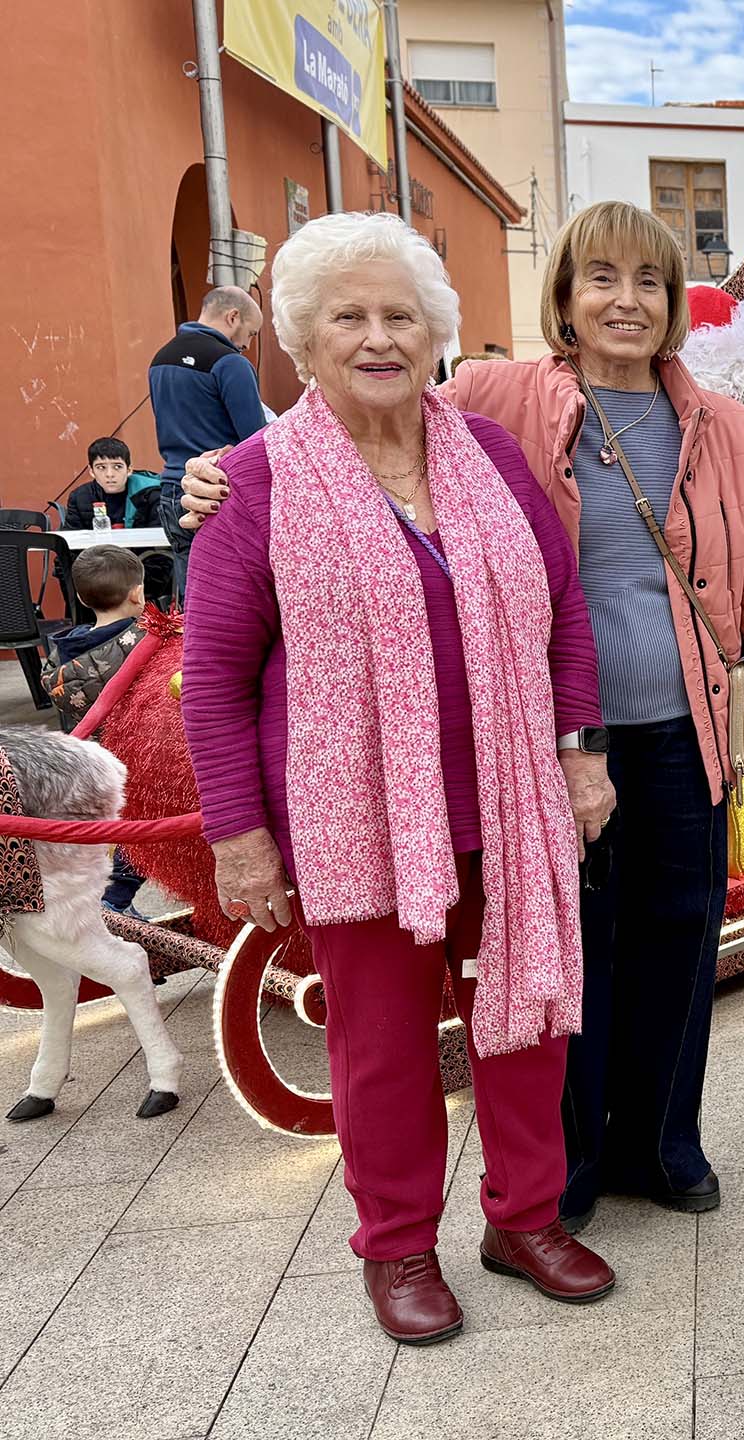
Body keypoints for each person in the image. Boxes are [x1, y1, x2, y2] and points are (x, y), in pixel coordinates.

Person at [179, 204, 744, 1230]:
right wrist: (212, 476)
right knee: (569, 957)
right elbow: (354, 434)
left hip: (670, 727)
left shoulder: (715, 424)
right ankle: (560, 1175)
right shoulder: (496, 396)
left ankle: (658, 1145)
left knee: (672, 942)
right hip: (527, 752)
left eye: (649, 282)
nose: (626, 301)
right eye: (601, 278)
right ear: (563, 296)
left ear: (674, 304)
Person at [181, 212, 618, 1346]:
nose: (379, 337)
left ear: (435, 334)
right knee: (379, 1046)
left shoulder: (493, 458)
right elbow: (213, 680)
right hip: (354, 815)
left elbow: (563, 612)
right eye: (350, 317)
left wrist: (581, 754)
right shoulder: (251, 485)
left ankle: (525, 1220)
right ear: (301, 339)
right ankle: (398, 1246)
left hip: (509, 800)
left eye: (401, 316)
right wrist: (240, 837)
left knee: (527, 1020)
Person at [43, 545, 151, 915]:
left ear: (79, 597)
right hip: (144, 752)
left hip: (101, 752)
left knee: (120, 828)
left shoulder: (65, 653)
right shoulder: (145, 641)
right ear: (137, 594)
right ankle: (115, 901)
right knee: (147, 834)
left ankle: (107, 899)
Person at [151, 286, 266, 600]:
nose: (247, 344)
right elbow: (255, 441)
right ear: (233, 317)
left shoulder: (160, 359)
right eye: (251, 333)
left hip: (171, 489)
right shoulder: (230, 363)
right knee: (225, 600)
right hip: (216, 493)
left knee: (190, 598)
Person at [66, 438, 160, 531]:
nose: (110, 474)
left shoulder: (151, 493)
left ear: (129, 470)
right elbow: (71, 537)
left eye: (117, 466)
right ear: (91, 471)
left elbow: (160, 536)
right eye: (101, 467)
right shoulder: (79, 498)